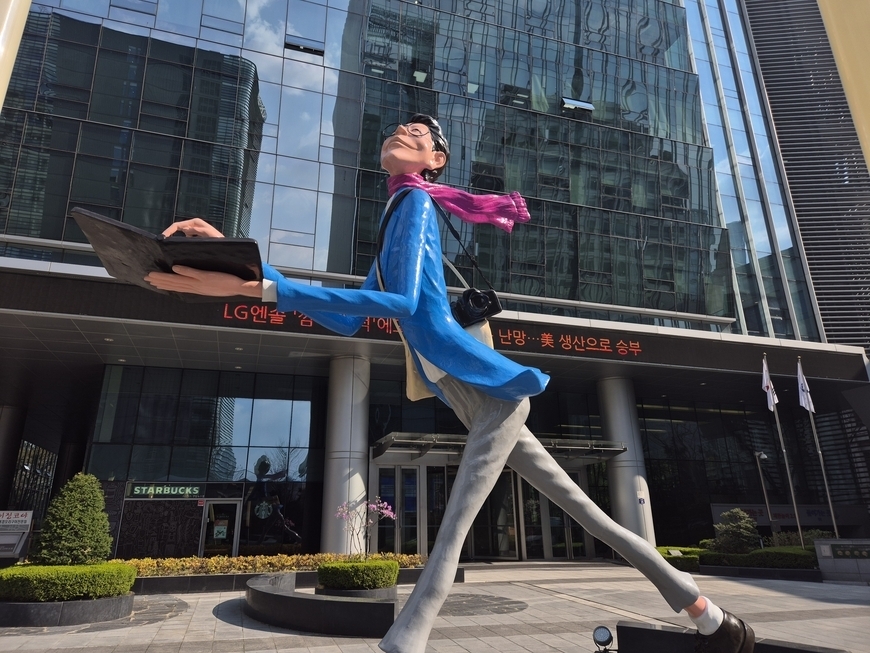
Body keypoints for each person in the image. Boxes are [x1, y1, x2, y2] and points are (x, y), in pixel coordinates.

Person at [146, 115, 755, 653]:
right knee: (590, 515)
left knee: (456, 524)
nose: (400, 132)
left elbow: (404, 305)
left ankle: (408, 636)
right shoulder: (396, 212)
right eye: (398, 128)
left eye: (416, 134)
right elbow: (349, 318)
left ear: (435, 159)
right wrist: (248, 265)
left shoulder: (414, 204)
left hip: (495, 397)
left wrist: (259, 287)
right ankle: (710, 618)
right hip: (468, 395)